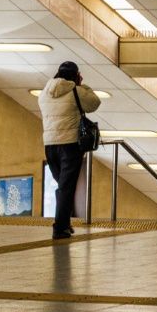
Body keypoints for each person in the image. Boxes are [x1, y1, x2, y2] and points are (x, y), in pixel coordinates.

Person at [38, 60, 101, 240]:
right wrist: (82, 85)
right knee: (66, 187)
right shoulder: (76, 91)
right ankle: (60, 228)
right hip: (70, 145)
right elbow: (94, 103)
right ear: (75, 76)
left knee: (62, 186)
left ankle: (63, 223)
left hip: (49, 145)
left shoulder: (44, 93)